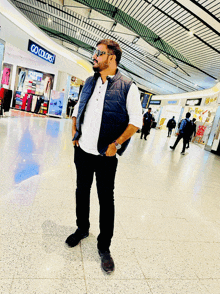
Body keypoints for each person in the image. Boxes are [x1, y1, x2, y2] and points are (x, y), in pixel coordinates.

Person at [65, 39, 142, 274]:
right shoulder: (89, 82)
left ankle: (104, 247)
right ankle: (82, 229)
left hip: (106, 155)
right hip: (83, 151)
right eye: (94, 52)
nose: (94, 56)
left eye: (99, 53)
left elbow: (135, 122)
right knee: (81, 191)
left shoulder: (128, 86)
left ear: (112, 58)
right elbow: (77, 111)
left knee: (106, 200)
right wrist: (75, 134)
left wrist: (116, 144)